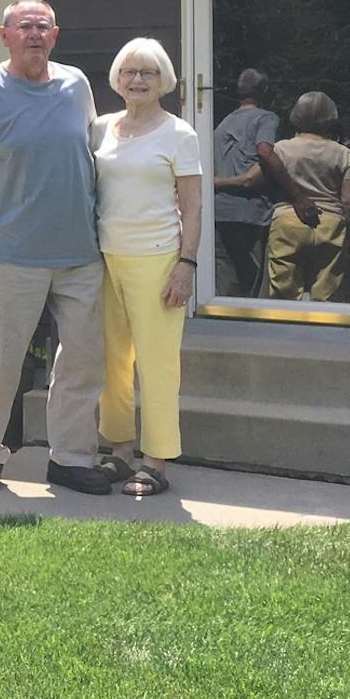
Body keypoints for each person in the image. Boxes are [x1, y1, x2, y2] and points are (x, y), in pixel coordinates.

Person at [0, 0, 110, 494]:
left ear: (55, 36)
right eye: (25, 27)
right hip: (10, 254)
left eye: (43, 27)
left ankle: (71, 459)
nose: (35, 35)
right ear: (5, 36)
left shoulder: (76, 86)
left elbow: (92, 154)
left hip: (81, 254)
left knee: (83, 362)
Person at [91, 38, 202, 498]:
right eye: (130, 72)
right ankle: (119, 450)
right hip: (104, 258)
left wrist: (186, 265)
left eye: (148, 73)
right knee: (111, 361)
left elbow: (193, 206)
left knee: (157, 365)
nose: (137, 80)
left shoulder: (179, 134)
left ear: (164, 81)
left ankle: (156, 460)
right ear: (117, 79)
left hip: (157, 259)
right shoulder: (100, 128)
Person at [259, 91, 350, 302]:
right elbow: (349, 200)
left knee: (283, 294)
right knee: (327, 296)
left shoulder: (281, 149)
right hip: (330, 224)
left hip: (288, 221)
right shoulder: (343, 154)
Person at [210, 69, 278, 296]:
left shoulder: (221, 125)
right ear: (265, 91)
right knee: (253, 284)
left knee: (224, 281)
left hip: (220, 212)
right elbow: (264, 155)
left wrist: (216, 183)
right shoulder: (266, 118)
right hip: (250, 213)